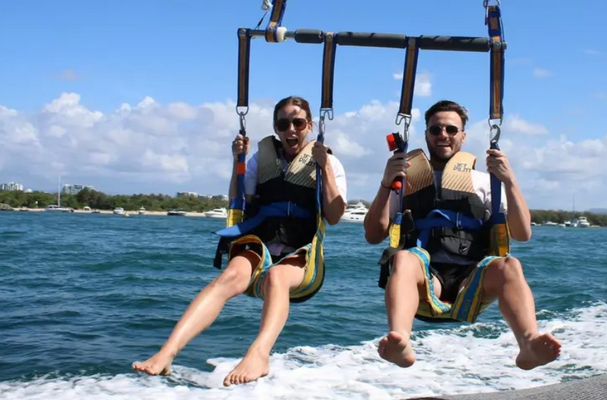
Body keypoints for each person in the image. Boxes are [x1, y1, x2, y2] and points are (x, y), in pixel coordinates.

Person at [132, 95, 348, 386]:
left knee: (276, 278)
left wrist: (324, 168)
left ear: (309, 125)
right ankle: (167, 353)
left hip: (302, 253)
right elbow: (240, 201)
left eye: (298, 123)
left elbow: (334, 215)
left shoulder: (329, 161)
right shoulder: (262, 158)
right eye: (283, 124)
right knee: (227, 277)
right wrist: (238, 161)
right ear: (276, 127)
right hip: (261, 241)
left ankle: (259, 354)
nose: (291, 130)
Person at [363, 100, 561, 370]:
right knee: (404, 259)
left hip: (472, 279)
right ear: (426, 134)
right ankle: (401, 341)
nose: (443, 135)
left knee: (510, 265)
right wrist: (387, 183)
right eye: (435, 130)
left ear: (463, 135)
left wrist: (509, 181)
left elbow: (522, 234)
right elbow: (373, 235)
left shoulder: (484, 182)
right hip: (426, 277)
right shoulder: (405, 179)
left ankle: (528, 344)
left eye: (451, 129)